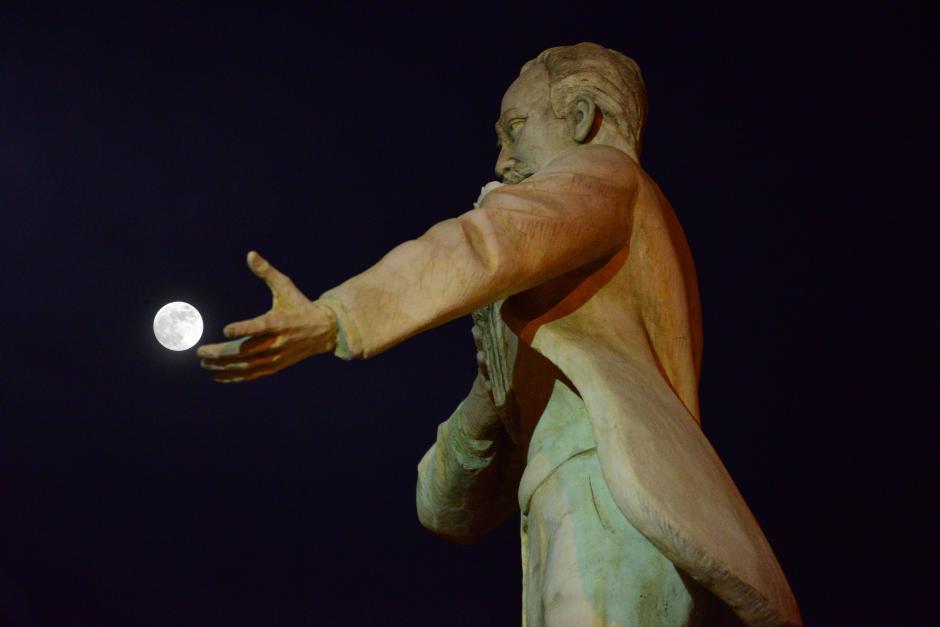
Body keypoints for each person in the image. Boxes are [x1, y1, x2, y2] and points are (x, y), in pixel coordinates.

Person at [199, 42, 801, 626]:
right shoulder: (569, 319)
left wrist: (340, 315)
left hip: (610, 495)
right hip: (574, 502)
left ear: (582, 119)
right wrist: (492, 392)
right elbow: (446, 510)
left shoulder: (605, 174)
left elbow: (491, 241)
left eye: (514, 127)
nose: (501, 161)